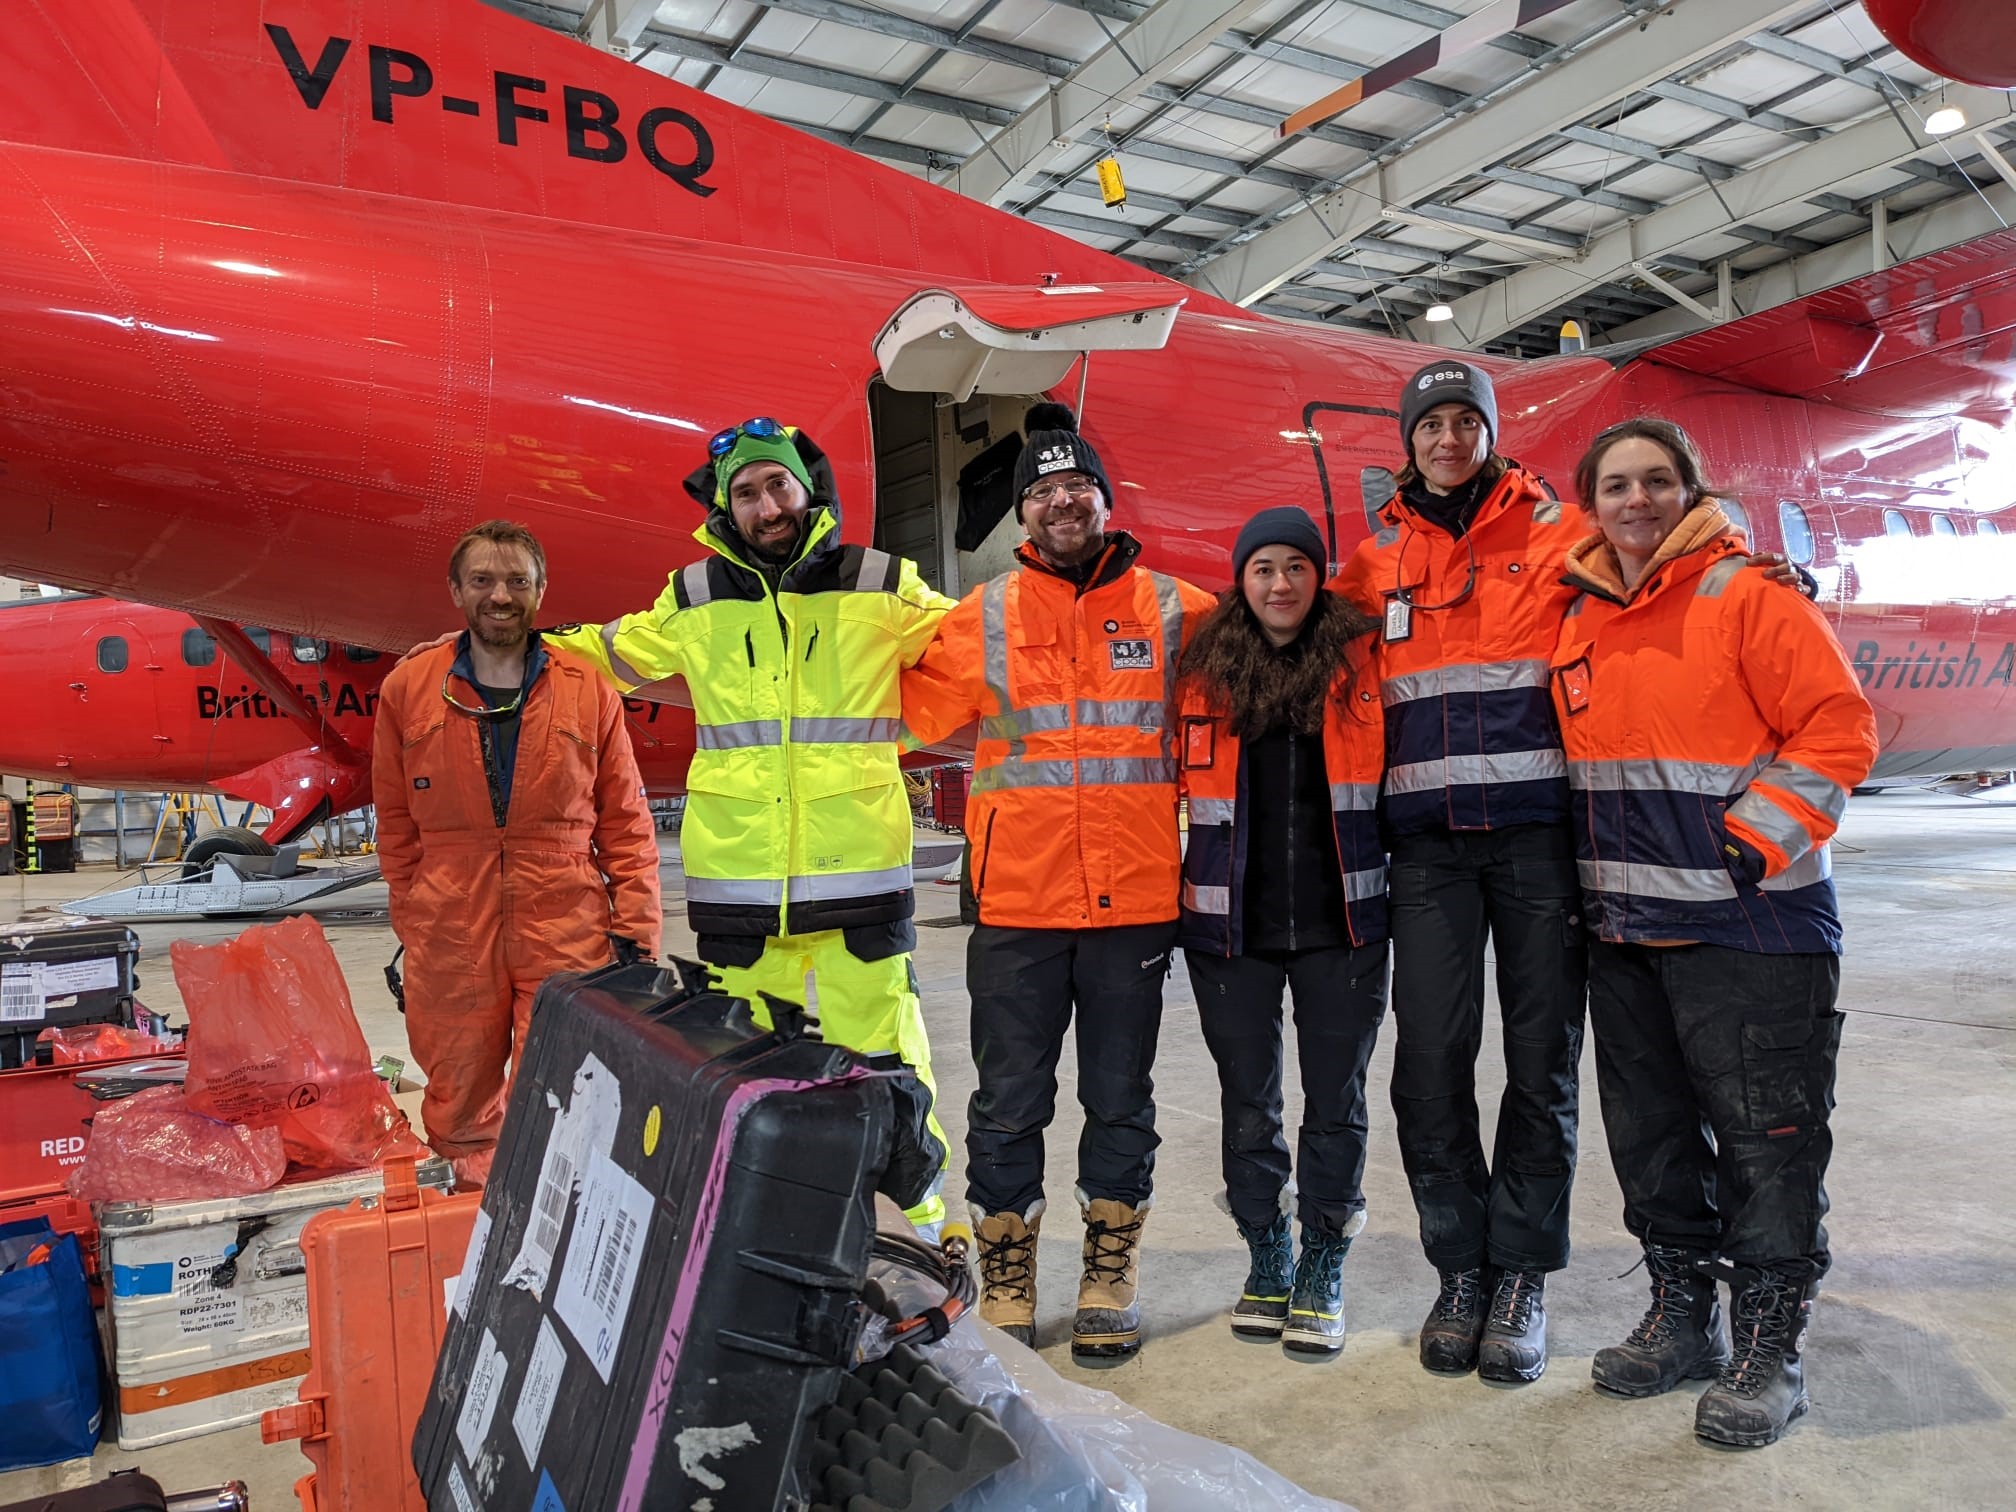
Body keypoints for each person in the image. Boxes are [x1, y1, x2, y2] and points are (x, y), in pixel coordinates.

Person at [1552, 419, 1876, 1447]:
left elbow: (1837, 729)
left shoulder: (1749, 597)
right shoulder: (1580, 618)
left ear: (1691, 492)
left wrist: (1749, 844)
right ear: (1590, 503)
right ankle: (1681, 1317)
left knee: (1766, 1146)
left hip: (1754, 928)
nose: (1636, 500)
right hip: (1628, 930)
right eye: (1615, 486)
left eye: (1656, 481)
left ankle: (1770, 1347)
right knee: (1651, 1144)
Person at [545, 419, 957, 1227]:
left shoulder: (880, 582)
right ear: (724, 510)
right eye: (746, 493)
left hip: (858, 879)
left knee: (886, 1063)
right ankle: (758, 1223)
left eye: (778, 485)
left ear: (810, 490)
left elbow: (974, 642)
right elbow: (604, 653)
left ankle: (917, 1227)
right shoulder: (694, 597)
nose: (766, 505)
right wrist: (512, 647)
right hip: (740, 886)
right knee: (745, 1068)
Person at [901, 403, 1216, 1358]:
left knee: (1121, 1098)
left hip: (1133, 911)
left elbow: (1262, 684)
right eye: (1041, 491)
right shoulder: (984, 615)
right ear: (1024, 515)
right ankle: (1009, 1269)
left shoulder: (1177, 611)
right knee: (1008, 1101)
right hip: (1018, 907)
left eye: (1076, 485)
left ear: (1105, 502)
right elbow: (900, 708)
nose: (1061, 501)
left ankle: (1108, 1270)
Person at [1334, 360, 1591, 1382]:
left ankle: (1522, 1273)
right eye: (1431, 423)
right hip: (1429, 851)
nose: (1448, 438)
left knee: (1543, 1066)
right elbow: (1298, 638)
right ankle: (1461, 1267)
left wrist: (1755, 566)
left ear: (1490, 432)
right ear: (1409, 439)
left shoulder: (1558, 535)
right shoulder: (1373, 557)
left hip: (1536, 843)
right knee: (1430, 1064)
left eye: (1464, 421)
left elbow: (1661, 566)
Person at [374, 520, 663, 1188]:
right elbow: (395, 824)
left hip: (567, 923)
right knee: (459, 1099)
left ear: (540, 590)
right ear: (455, 590)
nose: (499, 595)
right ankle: (470, 1235)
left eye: (516, 581)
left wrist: (638, 939)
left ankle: (554, 1245)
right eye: (482, 580)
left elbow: (626, 825)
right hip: (450, 928)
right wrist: (418, 921)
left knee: (569, 1091)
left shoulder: (587, 688)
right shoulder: (408, 689)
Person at [1174, 507, 1388, 1357]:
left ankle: (1325, 1259)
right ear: (1240, 578)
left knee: (1336, 1105)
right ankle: (1268, 1251)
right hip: (1232, 928)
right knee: (1248, 1104)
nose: (1279, 585)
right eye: (1262, 567)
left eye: (1296, 567)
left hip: (1345, 922)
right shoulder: (1201, 671)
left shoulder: (1364, 658)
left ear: (1319, 576)